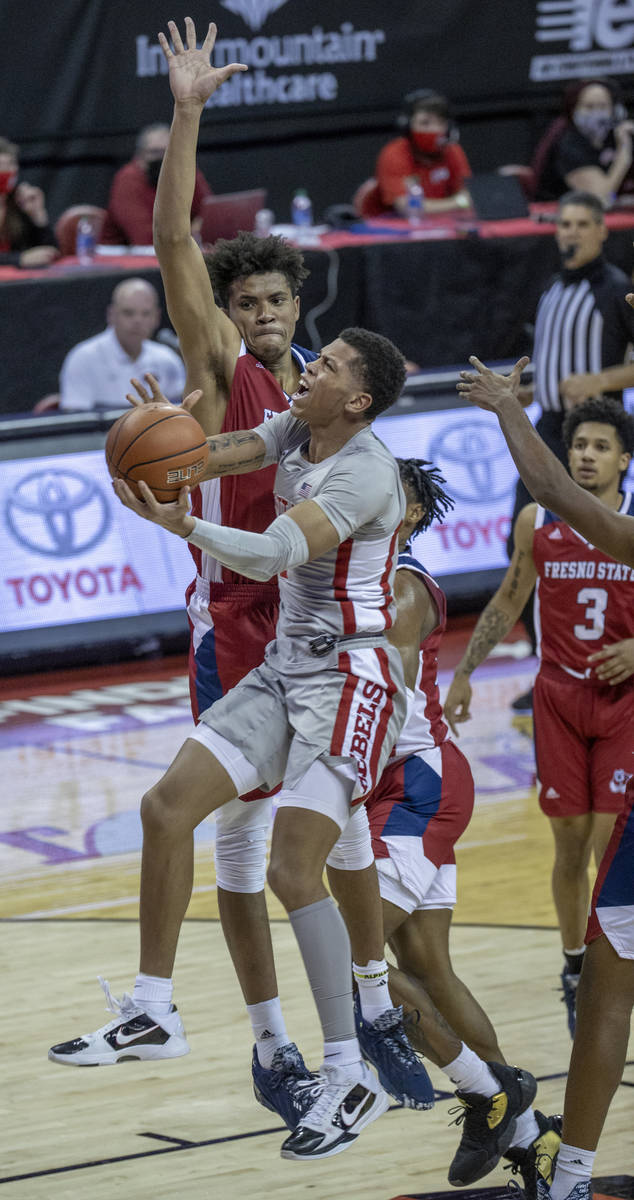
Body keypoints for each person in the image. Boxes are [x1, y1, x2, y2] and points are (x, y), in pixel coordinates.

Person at [49, 321, 415, 1164]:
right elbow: (227, 453)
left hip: (350, 685)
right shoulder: (299, 424)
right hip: (286, 671)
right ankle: (152, 1008)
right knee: (166, 806)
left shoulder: (365, 470)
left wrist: (182, 527)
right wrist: (170, 449)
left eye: (324, 366)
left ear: (357, 399)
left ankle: (346, 1068)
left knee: (293, 867)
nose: (306, 368)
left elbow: (273, 554)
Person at [340, 457, 558, 1199]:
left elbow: (389, 686)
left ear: (400, 516)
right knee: (428, 967)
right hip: (410, 786)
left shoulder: (400, 585)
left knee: (349, 958)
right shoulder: (354, 580)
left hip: (413, 786)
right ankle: (530, 1137)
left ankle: (484, 1090)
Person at [455, 350, 634, 1200]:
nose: (592, 455)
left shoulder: (599, 517)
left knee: (611, 976)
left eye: (605, 442)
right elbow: (523, 565)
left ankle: (570, 1177)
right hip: (563, 692)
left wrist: (506, 410)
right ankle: (573, 956)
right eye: (585, 442)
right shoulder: (542, 529)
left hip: (623, 700)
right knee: (578, 855)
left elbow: (562, 491)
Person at [505, 188, 634, 709]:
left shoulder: (615, 288)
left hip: (596, 432)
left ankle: (610, 661)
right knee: (528, 545)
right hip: (548, 426)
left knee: (601, 553)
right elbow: (554, 363)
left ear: (604, 230)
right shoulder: (553, 286)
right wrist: (533, 392)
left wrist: (602, 377)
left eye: (583, 224)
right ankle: (550, 666)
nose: (572, 232)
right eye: (565, 224)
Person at [57, 277, 186, 412]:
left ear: (157, 318)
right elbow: (77, 421)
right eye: (128, 313)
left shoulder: (168, 359)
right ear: (111, 315)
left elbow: (176, 414)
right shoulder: (83, 358)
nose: (138, 321)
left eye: (146, 314)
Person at [100, 122, 212, 246]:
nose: (164, 159)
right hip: (123, 260)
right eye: (155, 152)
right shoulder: (128, 180)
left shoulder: (187, 172)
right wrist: (192, 232)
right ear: (139, 156)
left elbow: (210, 216)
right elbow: (146, 238)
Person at [533, 79, 634, 206]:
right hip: (563, 215)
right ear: (573, 110)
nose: (596, 113)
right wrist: (624, 155)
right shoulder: (568, 145)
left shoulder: (618, 135)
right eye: (589, 106)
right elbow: (602, 198)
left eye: (603, 106)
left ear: (616, 111)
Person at [374, 89, 472, 217]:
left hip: (444, 224)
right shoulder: (394, 153)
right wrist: (458, 203)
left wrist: (461, 202)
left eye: (440, 123)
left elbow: (470, 195)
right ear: (407, 127)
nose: (434, 129)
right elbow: (409, 207)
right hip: (401, 228)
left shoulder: (452, 150)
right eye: (425, 123)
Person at [0, 137, 58, 268]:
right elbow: (27, 257)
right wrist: (19, 259)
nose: (10, 171)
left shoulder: (18, 202)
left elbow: (50, 252)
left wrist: (38, 216)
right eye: (2, 166)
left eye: (12, 164)